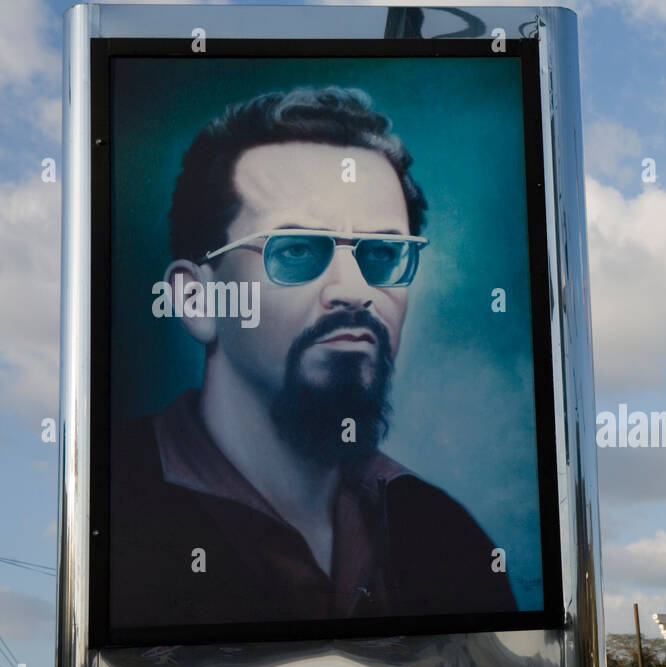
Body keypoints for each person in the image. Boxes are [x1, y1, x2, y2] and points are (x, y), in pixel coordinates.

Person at [111, 86, 515, 628]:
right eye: (296, 250)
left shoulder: (446, 537)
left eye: (381, 254)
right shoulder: (110, 510)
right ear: (196, 298)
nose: (354, 289)